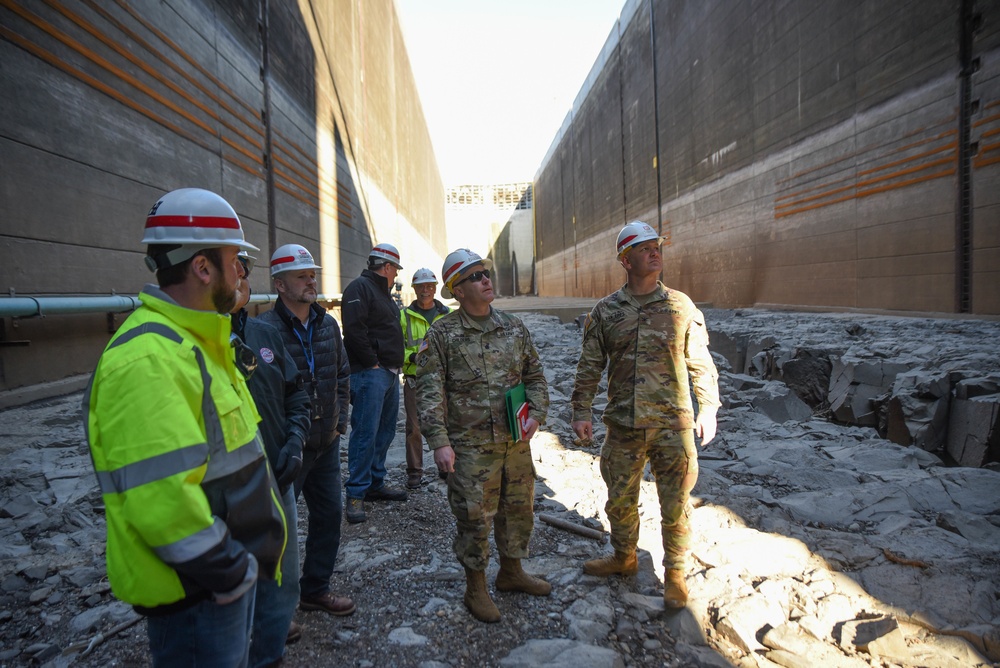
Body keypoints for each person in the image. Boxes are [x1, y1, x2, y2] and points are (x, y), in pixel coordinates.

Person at [84, 188, 286, 666]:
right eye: (235, 258)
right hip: (201, 592)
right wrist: (232, 574)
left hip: (219, 579)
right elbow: (162, 501)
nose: (241, 271)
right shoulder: (148, 359)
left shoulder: (196, 343)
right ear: (202, 267)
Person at [570, 220, 720, 610]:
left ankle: (675, 575)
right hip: (622, 425)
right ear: (626, 260)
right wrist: (581, 411)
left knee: (675, 503)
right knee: (619, 500)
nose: (655, 252)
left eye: (657, 246)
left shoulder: (680, 306)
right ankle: (624, 557)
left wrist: (709, 408)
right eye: (644, 248)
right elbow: (589, 365)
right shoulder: (606, 312)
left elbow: (700, 362)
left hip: (674, 425)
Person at [415, 249, 551, 623]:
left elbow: (535, 377)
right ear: (457, 290)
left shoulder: (513, 327)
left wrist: (536, 415)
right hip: (470, 446)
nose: (485, 280)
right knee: (475, 518)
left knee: (518, 510)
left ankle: (511, 572)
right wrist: (439, 442)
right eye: (474, 277)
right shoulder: (442, 334)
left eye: (485, 273)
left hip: (514, 443)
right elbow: (429, 390)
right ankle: (475, 586)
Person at [257, 244, 356, 617]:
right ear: (280, 284)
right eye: (302, 275)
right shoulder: (264, 331)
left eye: (312, 274)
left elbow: (342, 374)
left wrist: (339, 423)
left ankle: (315, 590)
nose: (311, 280)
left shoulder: (328, 324)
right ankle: (275, 613)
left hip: (326, 445)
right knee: (276, 531)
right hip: (287, 449)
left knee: (329, 519)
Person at [230, 252, 311, 666]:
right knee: (228, 594)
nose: (242, 273)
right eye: (234, 263)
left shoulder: (264, 335)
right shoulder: (186, 348)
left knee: (282, 582)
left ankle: (269, 652)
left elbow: (296, 392)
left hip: (276, 481)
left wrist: (296, 440)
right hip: (224, 497)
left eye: (245, 265)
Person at [342, 243, 408, 523]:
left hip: (388, 374)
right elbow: (354, 330)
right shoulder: (359, 288)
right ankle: (356, 494)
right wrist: (371, 362)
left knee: (385, 432)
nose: (395, 276)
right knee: (365, 434)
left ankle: (374, 484)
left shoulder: (384, 295)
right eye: (395, 270)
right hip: (370, 373)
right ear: (388, 267)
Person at [399, 267, 451, 489]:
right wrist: (415, 356)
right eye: (421, 287)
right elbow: (395, 349)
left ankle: (446, 466)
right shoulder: (403, 316)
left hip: (443, 380)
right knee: (414, 427)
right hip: (415, 380)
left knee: (446, 423)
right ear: (414, 289)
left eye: (429, 286)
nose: (425, 290)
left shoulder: (447, 315)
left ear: (435, 288)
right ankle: (414, 472)